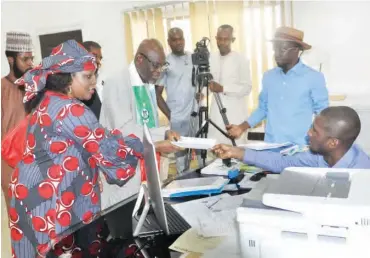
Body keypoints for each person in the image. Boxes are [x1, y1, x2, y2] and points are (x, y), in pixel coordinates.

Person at [9, 40, 179, 258]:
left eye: (94, 75)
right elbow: (109, 153)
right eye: (87, 77)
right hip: (49, 205)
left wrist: (149, 142)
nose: (94, 82)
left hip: (35, 199)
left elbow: (101, 138)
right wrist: (146, 145)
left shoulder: (49, 101)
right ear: (68, 79)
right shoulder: (70, 110)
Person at [227, 26, 329, 146]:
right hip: (271, 145)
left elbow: (323, 113)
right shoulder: (269, 77)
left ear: (297, 50)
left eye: (283, 49)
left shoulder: (313, 77)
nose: (277, 54)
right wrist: (241, 127)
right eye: (275, 49)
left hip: (299, 147)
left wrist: (314, 137)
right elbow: (263, 108)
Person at [213, 106, 370, 172]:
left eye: (315, 131)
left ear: (332, 142)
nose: (308, 133)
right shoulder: (320, 156)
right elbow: (281, 162)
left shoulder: (361, 173)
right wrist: (236, 152)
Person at [156, 28, 201, 173]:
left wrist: (200, 94)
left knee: (201, 151)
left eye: (180, 38)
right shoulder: (165, 63)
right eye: (174, 40)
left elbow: (200, 82)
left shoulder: (193, 57)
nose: (178, 42)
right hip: (177, 117)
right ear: (169, 42)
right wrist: (171, 115)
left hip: (195, 113)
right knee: (181, 157)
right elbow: (157, 95)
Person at [1, 31, 34, 212]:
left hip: (38, 168)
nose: (30, 63)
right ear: (11, 60)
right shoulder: (2, 89)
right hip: (11, 170)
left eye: (31, 58)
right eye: (25, 59)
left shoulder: (36, 87)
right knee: (21, 227)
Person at [206, 24, 252, 145]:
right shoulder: (210, 58)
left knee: (236, 152)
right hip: (216, 113)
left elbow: (247, 88)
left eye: (226, 39)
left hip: (235, 114)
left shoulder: (241, 60)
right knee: (216, 151)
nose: (222, 42)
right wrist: (202, 93)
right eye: (219, 39)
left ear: (233, 40)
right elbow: (208, 85)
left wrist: (223, 88)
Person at [81, 41, 104, 120]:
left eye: (100, 58)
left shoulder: (98, 85)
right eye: (94, 56)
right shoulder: (76, 86)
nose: (98, 61)